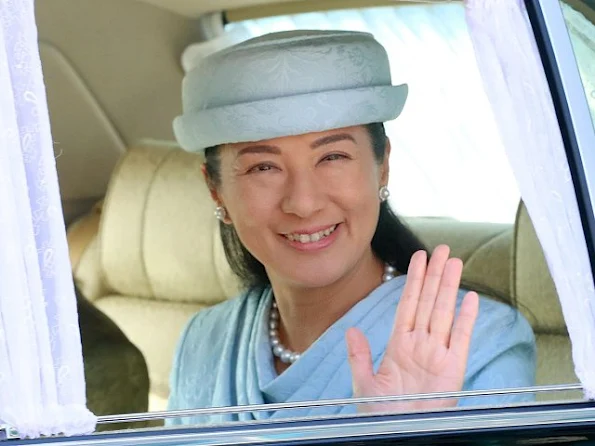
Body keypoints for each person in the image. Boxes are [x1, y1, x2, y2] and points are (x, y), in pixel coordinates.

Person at [166, 29, 536, 426]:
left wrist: (409, 431)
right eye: (263, 166)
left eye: (333, 156)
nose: (304, 203)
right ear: (215, 190)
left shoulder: (477, 342)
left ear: (383, 165)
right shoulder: (205, 340)